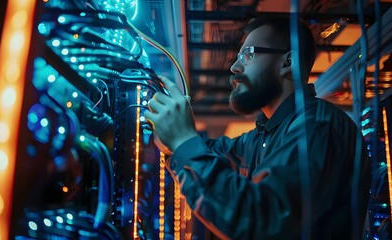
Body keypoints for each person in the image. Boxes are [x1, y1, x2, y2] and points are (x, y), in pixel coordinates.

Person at [144, 17, 371, 239]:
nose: (234, 67)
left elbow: (261, 221)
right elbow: (213, 151)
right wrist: (174, 140)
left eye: (248, 54)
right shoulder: (261, 136)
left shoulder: (319, 127)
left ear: (287, 63)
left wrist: (183, 141)